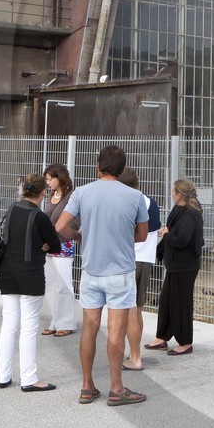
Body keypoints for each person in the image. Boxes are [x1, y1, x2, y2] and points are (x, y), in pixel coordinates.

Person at [55, 144, 148, 407]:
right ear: (122, 169)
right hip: (120, 272)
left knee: (90, 329)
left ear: (98, 166)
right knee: (116, 331)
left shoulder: (82, 193)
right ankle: (116, 388)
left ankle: (87, 386)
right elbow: (141, 235)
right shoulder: (134, 196)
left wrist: (79, 236)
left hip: (91, 272)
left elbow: (60, 226)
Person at [0, 173, 63, 392]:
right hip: (30, 275)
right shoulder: (40, 216)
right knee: (29, 327)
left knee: (9, 325)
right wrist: (43, 244)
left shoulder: (12, 209)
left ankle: (3, 376)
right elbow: (55, 246)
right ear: (44, 193)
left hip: (6, 272)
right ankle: (29, 378)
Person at [147, 177, 204, 356]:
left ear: (179, 194)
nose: (171, 194)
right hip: (175, 265)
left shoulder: (191, 214)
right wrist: (167, 235)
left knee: (181, 304)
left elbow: (182, 240)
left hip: (185, 266)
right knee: (166, 301)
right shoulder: (179, 210)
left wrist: (166, 235)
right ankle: (162, 337)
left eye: (173, 191)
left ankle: (185, 342)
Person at [116, 167, 164, 371]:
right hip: (146, 260)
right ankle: (135, 352)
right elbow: (155, 228)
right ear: (137, 180)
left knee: (127, 311)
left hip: (128, 260)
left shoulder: (123, 202)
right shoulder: (149, 202)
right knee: (138, 309)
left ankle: (134, 356)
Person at [39, 163, 78, 337]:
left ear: (59, 177)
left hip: (63, 245)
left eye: (50, 179)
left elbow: (74, 223)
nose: (47, 183)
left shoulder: (72, 196)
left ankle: (67, 322)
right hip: (49, 246)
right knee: (51, 285)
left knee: (63, 285)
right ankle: (55, 321)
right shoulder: (51, 196)